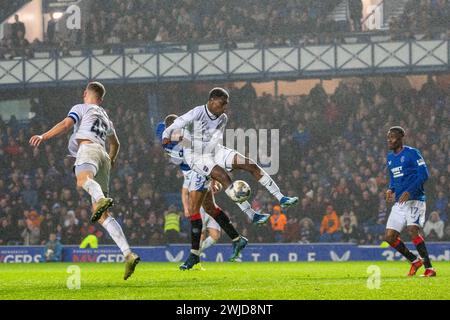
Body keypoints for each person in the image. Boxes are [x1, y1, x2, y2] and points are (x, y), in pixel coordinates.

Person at [162, 88, 298, 268]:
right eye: (222, 103)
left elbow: (208, 140)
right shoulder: (184, 129)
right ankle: (249, 217)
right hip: (195, 167)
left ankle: (280, 198)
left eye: (226, 104)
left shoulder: (220, 119)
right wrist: (169, 136)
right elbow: (180, 144)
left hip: (212, 154)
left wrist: (212, 175)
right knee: (202, 207)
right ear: (212, 100)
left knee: (248, 165)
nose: (225, 108)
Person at [29, 81, 140, 280]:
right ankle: (128, 254)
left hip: (88, 148)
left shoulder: (81, 108)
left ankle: (100, 198)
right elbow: (116, 143)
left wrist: (43, 136)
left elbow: (65, 125)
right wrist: (112, 160)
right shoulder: (106, 117)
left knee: (82, 180)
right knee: (102, 215)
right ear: (102, 99)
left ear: (85, 94)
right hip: (103, 156)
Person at [157, 114, 251, 269]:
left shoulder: (188, 140)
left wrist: (213, 179)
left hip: (199, 172)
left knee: (194, 210)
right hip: (191, 174)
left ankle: (194, 255)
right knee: (210, 208)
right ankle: (237, 238)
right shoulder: (166, 136)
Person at [385, 126, 436, 277]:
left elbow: (424, 175)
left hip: (415, 199)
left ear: (400, 138)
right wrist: (390, 189)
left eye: (392, 137)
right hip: (400, 202)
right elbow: (394, 177)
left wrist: (409, 191)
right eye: (388, 137)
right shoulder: (390, 157)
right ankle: (414, 261)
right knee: (389, 237)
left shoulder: (412, 153)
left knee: (412, 230)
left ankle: (429, 268)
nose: (389, 140)